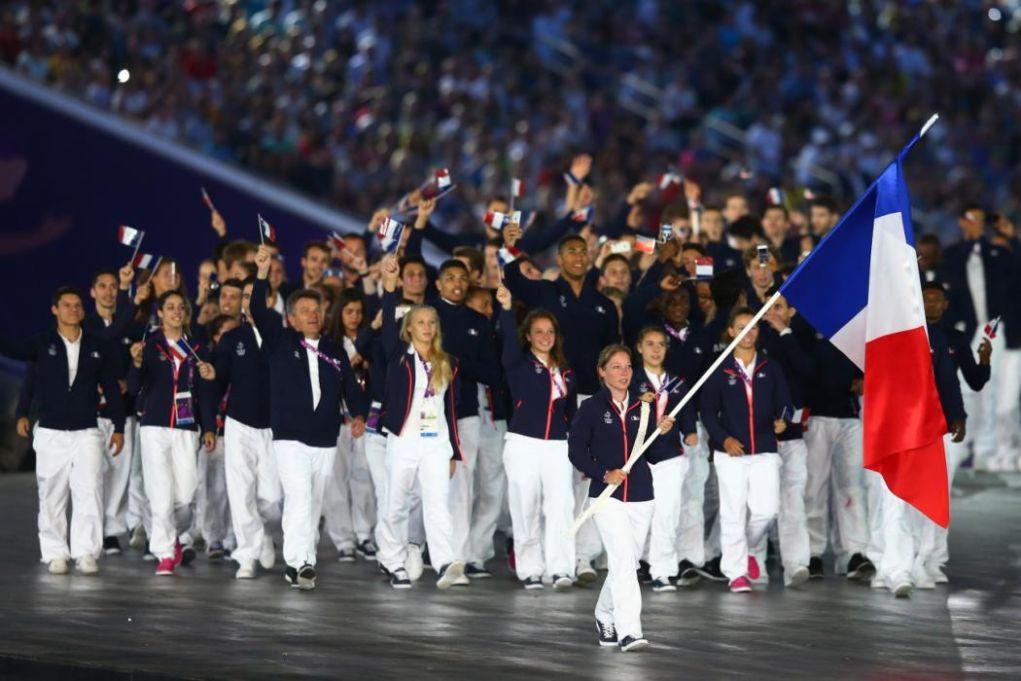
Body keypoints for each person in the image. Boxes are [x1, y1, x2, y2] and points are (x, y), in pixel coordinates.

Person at [251, 245, 368, 591]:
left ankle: (297, 563)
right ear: (291, 318)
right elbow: (257, 308)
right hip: (289, 436)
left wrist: (359, 412)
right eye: (305, 311)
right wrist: (261, 272)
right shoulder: (281, 341)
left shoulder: (334, 350)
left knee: (312, 503)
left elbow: (349, 385)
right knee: (300, 497)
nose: (313, 315)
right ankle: (302, 562)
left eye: (316, 310)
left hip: (325, 437)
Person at [1, 286, 126, 575]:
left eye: (77, 305)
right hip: (52, 431)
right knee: (52, 493)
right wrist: (22, 413)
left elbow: (111, 388)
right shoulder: (42, 343)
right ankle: (55, 552)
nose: (73, 309)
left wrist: (118, 427)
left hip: (87, 431)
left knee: (90, 491)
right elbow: (18, 357)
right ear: (55, 310)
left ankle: (86, 552)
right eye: (67, 305)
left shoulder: (97, 346)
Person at [569, 344, 674, 653]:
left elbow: (652, 455)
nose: (624, 372)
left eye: (628, 366)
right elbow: (576, 450)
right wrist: (603, 473)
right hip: (606, 497)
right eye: (616, 366)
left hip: (642, 494)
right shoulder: (590, 407)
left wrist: (663, 432)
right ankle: (629, 631)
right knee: (624, 563)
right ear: (602, 371)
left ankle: (604, 613)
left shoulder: (644, 407)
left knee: (624, 563)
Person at [376, 254, 466, 590]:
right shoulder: (398, 356)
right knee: (396, 503)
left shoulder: (448, 362)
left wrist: (454, 451)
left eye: (432, 323)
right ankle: (393, 560)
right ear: (409, 327)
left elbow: (451, 410)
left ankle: (444, 562)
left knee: (437, 503)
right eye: (421, 322)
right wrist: (388, 285)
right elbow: (386, 324)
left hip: (435, 442)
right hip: (403, 439)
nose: (427, 327)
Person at [699, 308, 791, 593]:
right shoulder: (719, 368)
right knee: (733, 512)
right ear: (730, 331)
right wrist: (723, 439)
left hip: (764, 449)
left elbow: (786, 402)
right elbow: (707, 411)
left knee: (767, 511)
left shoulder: (770, 366)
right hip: (731, 454)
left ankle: (749, 549)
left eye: (752, 327)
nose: (747, 332)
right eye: (741, 326)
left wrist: (783, 420)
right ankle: (736, 572)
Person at [128, 290, 218, 576]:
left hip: (185, 428)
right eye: (170, 307)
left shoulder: (197, 349)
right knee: (160, 493)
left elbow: (205, 394)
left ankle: (173, 535)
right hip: (154, 426)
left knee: (186, 494)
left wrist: (209, 427)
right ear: (161, 313)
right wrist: (137, 363)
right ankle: (165, 553)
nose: (176, 311)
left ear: (187, 314)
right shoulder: (150, 346)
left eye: (181, 307)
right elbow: (132, 387)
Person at [495, 285, 577, 589]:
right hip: (523, 444)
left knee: (560, 506)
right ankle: (530, 568)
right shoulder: (517, 364)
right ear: (527, 336)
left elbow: (571, 414)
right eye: (538, 331)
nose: (545, 336)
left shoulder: (566, 372)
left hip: (558, 446)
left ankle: (560, 567)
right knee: (524, 504)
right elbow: (508, 343)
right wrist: (505, 309)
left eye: (549, 331)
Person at [431, 259, 502, 580]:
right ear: (438, 283)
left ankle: (455, 560)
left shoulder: (479, 322)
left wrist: (455, 363)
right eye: (450, 278)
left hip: (465, 413)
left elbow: (491, 371)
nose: (457, 284)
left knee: (461, 486)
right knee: (423, 487)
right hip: (426, 414)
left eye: (462, 278)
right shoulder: (424, 316)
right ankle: (413, 549)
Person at [213, 278, 283, 579]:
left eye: (255, 296)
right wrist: (207, 420)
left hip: (274, 426)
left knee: (272, 499)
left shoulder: (281, 337)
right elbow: (217, 382)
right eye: (245, 296)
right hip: (239, 423)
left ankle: (265, 532)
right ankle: (247, 555)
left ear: (267, 301)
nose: (249, 301)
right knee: (241, 492)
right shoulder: (231, 339)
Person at [631, 326, 697, 592]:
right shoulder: (629, 380)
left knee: (666, 515)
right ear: (639, 348)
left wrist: (689, 431)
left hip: (670, 457)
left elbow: (688, 412)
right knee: (636, 516)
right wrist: (638, 404)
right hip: (637, 458)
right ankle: (630, 567)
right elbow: (615, 412)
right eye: (650, 344)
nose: (656, 350)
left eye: (660, 345)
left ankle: (662, 572)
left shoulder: (678, 383)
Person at [755, 291, 813, 587]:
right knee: (759, 504)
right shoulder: (756, 341)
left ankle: (796, 563)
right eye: (767, 308)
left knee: (793, 500)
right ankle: (754, 560)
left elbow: (807, 369)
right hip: (759, 438)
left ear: (790, 311)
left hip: (792, 436)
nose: (772, 313)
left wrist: (785, 333)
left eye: (778, 307)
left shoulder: (798, 338)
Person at [323, 288, 378, 562]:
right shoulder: (330, 343)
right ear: (339, 313)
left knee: (364, 477)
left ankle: (365, 534)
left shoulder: (372, 342)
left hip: (365, 418)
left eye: (358, 312)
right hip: (336, 420)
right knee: (336, 480)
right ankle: (343, 538)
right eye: (349, 312)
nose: (354, 317)